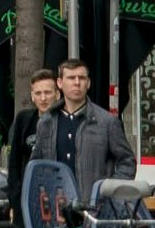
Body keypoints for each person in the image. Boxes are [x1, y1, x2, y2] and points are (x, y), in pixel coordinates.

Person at [34, 58, 137, 203]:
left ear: (88, 83)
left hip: (95, 211)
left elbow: (127, 161)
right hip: (56, 210)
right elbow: (37, 165)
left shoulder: (107, 122)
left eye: (81, 78)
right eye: (71, 78)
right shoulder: (46, 122)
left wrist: (109, 194)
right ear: (60, 83)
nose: (77, 83)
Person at [6, 68, 59, 211]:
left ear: (57, 94)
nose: (43, 98)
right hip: (27, 197)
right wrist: (14, 200)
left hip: (57, 197)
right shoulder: (24, 119)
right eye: (38, 93)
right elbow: (14, 163)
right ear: (32, 96)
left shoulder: (64, 122)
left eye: (47, 92)